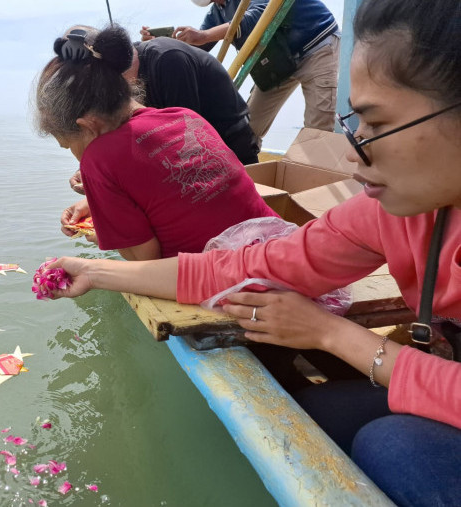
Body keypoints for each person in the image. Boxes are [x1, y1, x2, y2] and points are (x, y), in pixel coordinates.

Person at [48, 1, 461, 504]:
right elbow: (245, 263)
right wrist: (94, 271)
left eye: (375, 124)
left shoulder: (105, 157)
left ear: (85, 123)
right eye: (355, 125)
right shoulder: (395, 213)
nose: (352, 155)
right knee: (321, 411)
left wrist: (329, 333)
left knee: (393, 446)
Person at [36, 25, 278, 261]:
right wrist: (98, 205)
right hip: (277, 246)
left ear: (87, 125)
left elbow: (145, 258)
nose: (77, 157)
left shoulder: (98, 160)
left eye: (69, 146)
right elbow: (168, 191)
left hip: (234, 275)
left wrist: (103, 232)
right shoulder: (185, 116)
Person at [66, 28, 259, 198]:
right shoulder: (125, 82)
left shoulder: (168, 59)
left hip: (231, 149)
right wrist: (90, 170)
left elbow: (184, 140)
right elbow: (120, 133)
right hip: (190, 160)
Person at [143, 0, 340, 142]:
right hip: (279, 65)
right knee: (247, 129)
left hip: (316, 46)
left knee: (318, 130)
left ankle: (314, 185)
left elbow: (257, 17)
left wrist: (203, 35)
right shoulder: (218, 11)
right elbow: (198, 47)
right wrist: (162, 43)